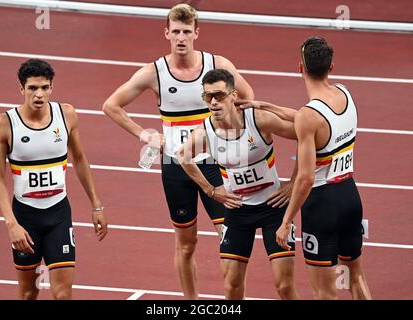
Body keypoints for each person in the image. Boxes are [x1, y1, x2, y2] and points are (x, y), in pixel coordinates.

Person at [102, 4, 253, 299]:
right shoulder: (154, 73)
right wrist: (144, 134)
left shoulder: (217, 65)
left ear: (196, 33)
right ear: (167, 33)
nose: (181, 38)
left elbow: (248, 98)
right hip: (175, 167)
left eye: (186, 32)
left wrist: (233, 134)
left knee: (230, 240)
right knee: (186, 243)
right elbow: (111, 105)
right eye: (176, 32)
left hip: (216, 162)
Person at [177, 69, 299, 300]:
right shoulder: (206, 132)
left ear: (233, 96)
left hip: (273, 208)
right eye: (208, 96)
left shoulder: (259, 120)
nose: (213, 102)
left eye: (219, 95)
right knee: (231, 286)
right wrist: (209, 190)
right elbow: (182, 156)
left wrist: (294, 183)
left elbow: (307, 135)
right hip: (237, 212)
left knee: (284, 286)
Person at [0, 59, 108, 300]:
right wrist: (11, 224)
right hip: (25, 217)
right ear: (21, 89)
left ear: (52, 88)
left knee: (63, 294)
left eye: (45, 87)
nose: (39, 94)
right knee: (28, 293)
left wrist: (96, 205)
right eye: (33, 88)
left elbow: (80, 159)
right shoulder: (5, 124)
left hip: (58, 215)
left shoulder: (66, 115)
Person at [270, 36, 372, 300]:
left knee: (325, 293)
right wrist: (268, 107)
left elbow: (304, 178)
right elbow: (316, 121)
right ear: (332, 67)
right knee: (356, 277)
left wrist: (286, 220)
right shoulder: (345, 93)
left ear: (300, 68)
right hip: (350, 195)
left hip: (322, 206)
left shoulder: (308, 116)